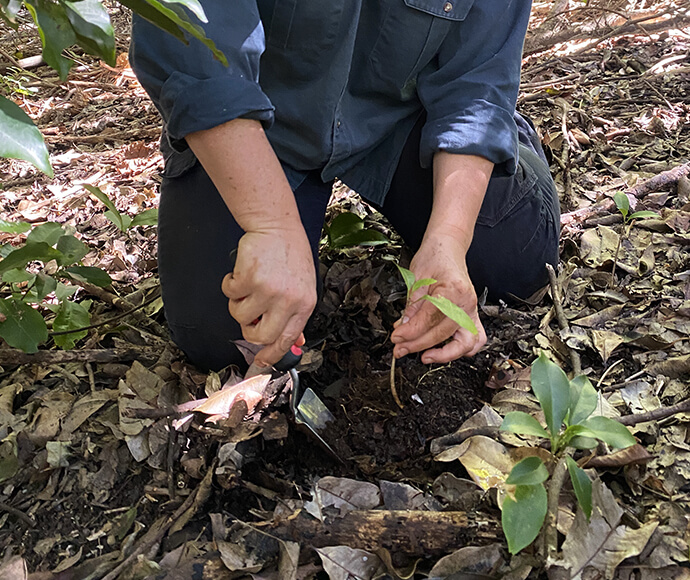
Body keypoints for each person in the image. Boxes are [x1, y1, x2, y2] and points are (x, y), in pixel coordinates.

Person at [129, 0, 560, 373]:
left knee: (513, 263)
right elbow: (197, 58)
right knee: (231, 337)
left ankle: (512, 162)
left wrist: (448, 238)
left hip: (404, 117)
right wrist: (271, 226)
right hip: (263, 123)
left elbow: (476, 84)